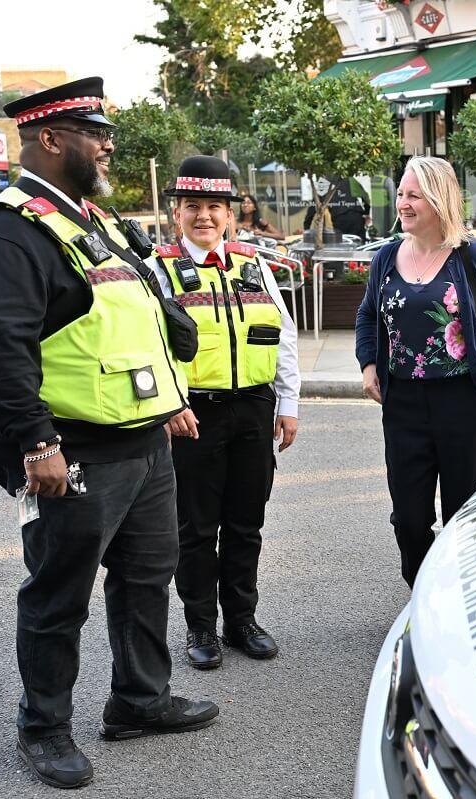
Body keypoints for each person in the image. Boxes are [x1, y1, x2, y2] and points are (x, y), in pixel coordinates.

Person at [0, 77, 218, 790]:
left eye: (107, 133)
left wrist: (169, 400)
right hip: (73, 449)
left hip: (143, 442)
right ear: (51, 139)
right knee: (58, 594)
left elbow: (131, 320)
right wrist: (36, 442)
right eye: (94, 133)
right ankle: (44, 727)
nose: (108, 145)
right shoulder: (9, 231)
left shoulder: (90, 221)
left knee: (147, 577)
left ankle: (139, 699)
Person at [148, 156, 301, 670]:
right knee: (195, 528)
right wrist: (171, 405)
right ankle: (201, 627)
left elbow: (283, 335)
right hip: (195, 415)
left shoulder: (253, 264)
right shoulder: (158, 269)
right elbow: (149, 345)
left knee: (246, 523)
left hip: (255, 409)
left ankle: (241, 621)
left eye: (215, 207)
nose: (205, 217)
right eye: (194, 206)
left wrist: (290, 404)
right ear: (177, 213)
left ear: (231, 214)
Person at [355, 156, 476, 587]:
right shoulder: (387, 257)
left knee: (463, 515)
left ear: (438, 199)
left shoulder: (473, 256)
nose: (403, 204)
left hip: (466, 401)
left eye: (414, 195)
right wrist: (370, 362)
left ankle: (459, 602)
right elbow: (366, 316)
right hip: (404, 404)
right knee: (408, 518)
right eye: (400, 194)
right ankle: (425, 592)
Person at [302, 176, 371, 240]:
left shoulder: (324, 181)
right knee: (359, 245)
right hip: (356, 217)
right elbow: (365, 197)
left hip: (339, 219)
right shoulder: (349, 179)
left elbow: (315, 204)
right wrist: (366, 213)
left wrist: (306, 225)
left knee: (344, 246)